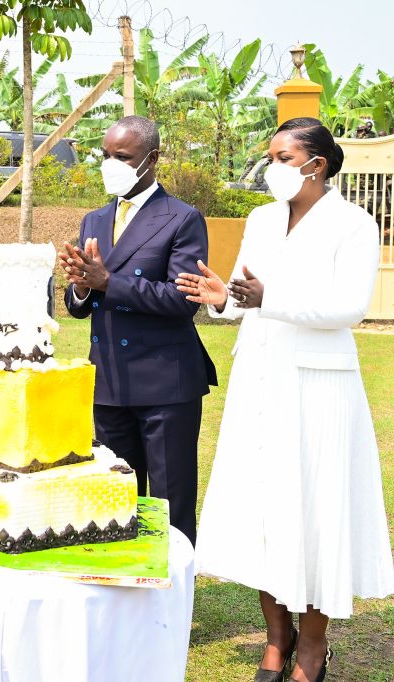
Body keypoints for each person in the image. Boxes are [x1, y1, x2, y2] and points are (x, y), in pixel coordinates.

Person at [176, 117, 394, 682]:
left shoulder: (355, 224)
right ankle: (276, 640)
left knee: (317, 509)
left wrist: (268, 299)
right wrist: (222, 298)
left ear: (314, 164)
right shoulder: (262, 218)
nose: (270, 167)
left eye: (279, 157)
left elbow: (348, 309)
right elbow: (244, 293)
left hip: (320, 385)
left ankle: (312, 650)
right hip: (261, 375)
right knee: (265, 507)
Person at [57, 115, 217, 546]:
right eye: (106, 156)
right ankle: (124, 600)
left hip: (165, 382)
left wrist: (109, 282)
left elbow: (183, 301)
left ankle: (173, 595)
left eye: (122, 157)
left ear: (152, 159)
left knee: (168, 502)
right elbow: (82, 301)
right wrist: (79, 287)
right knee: (114, 499)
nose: (111, 164)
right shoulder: (95, 218)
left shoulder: (181, 218)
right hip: (109, 380)